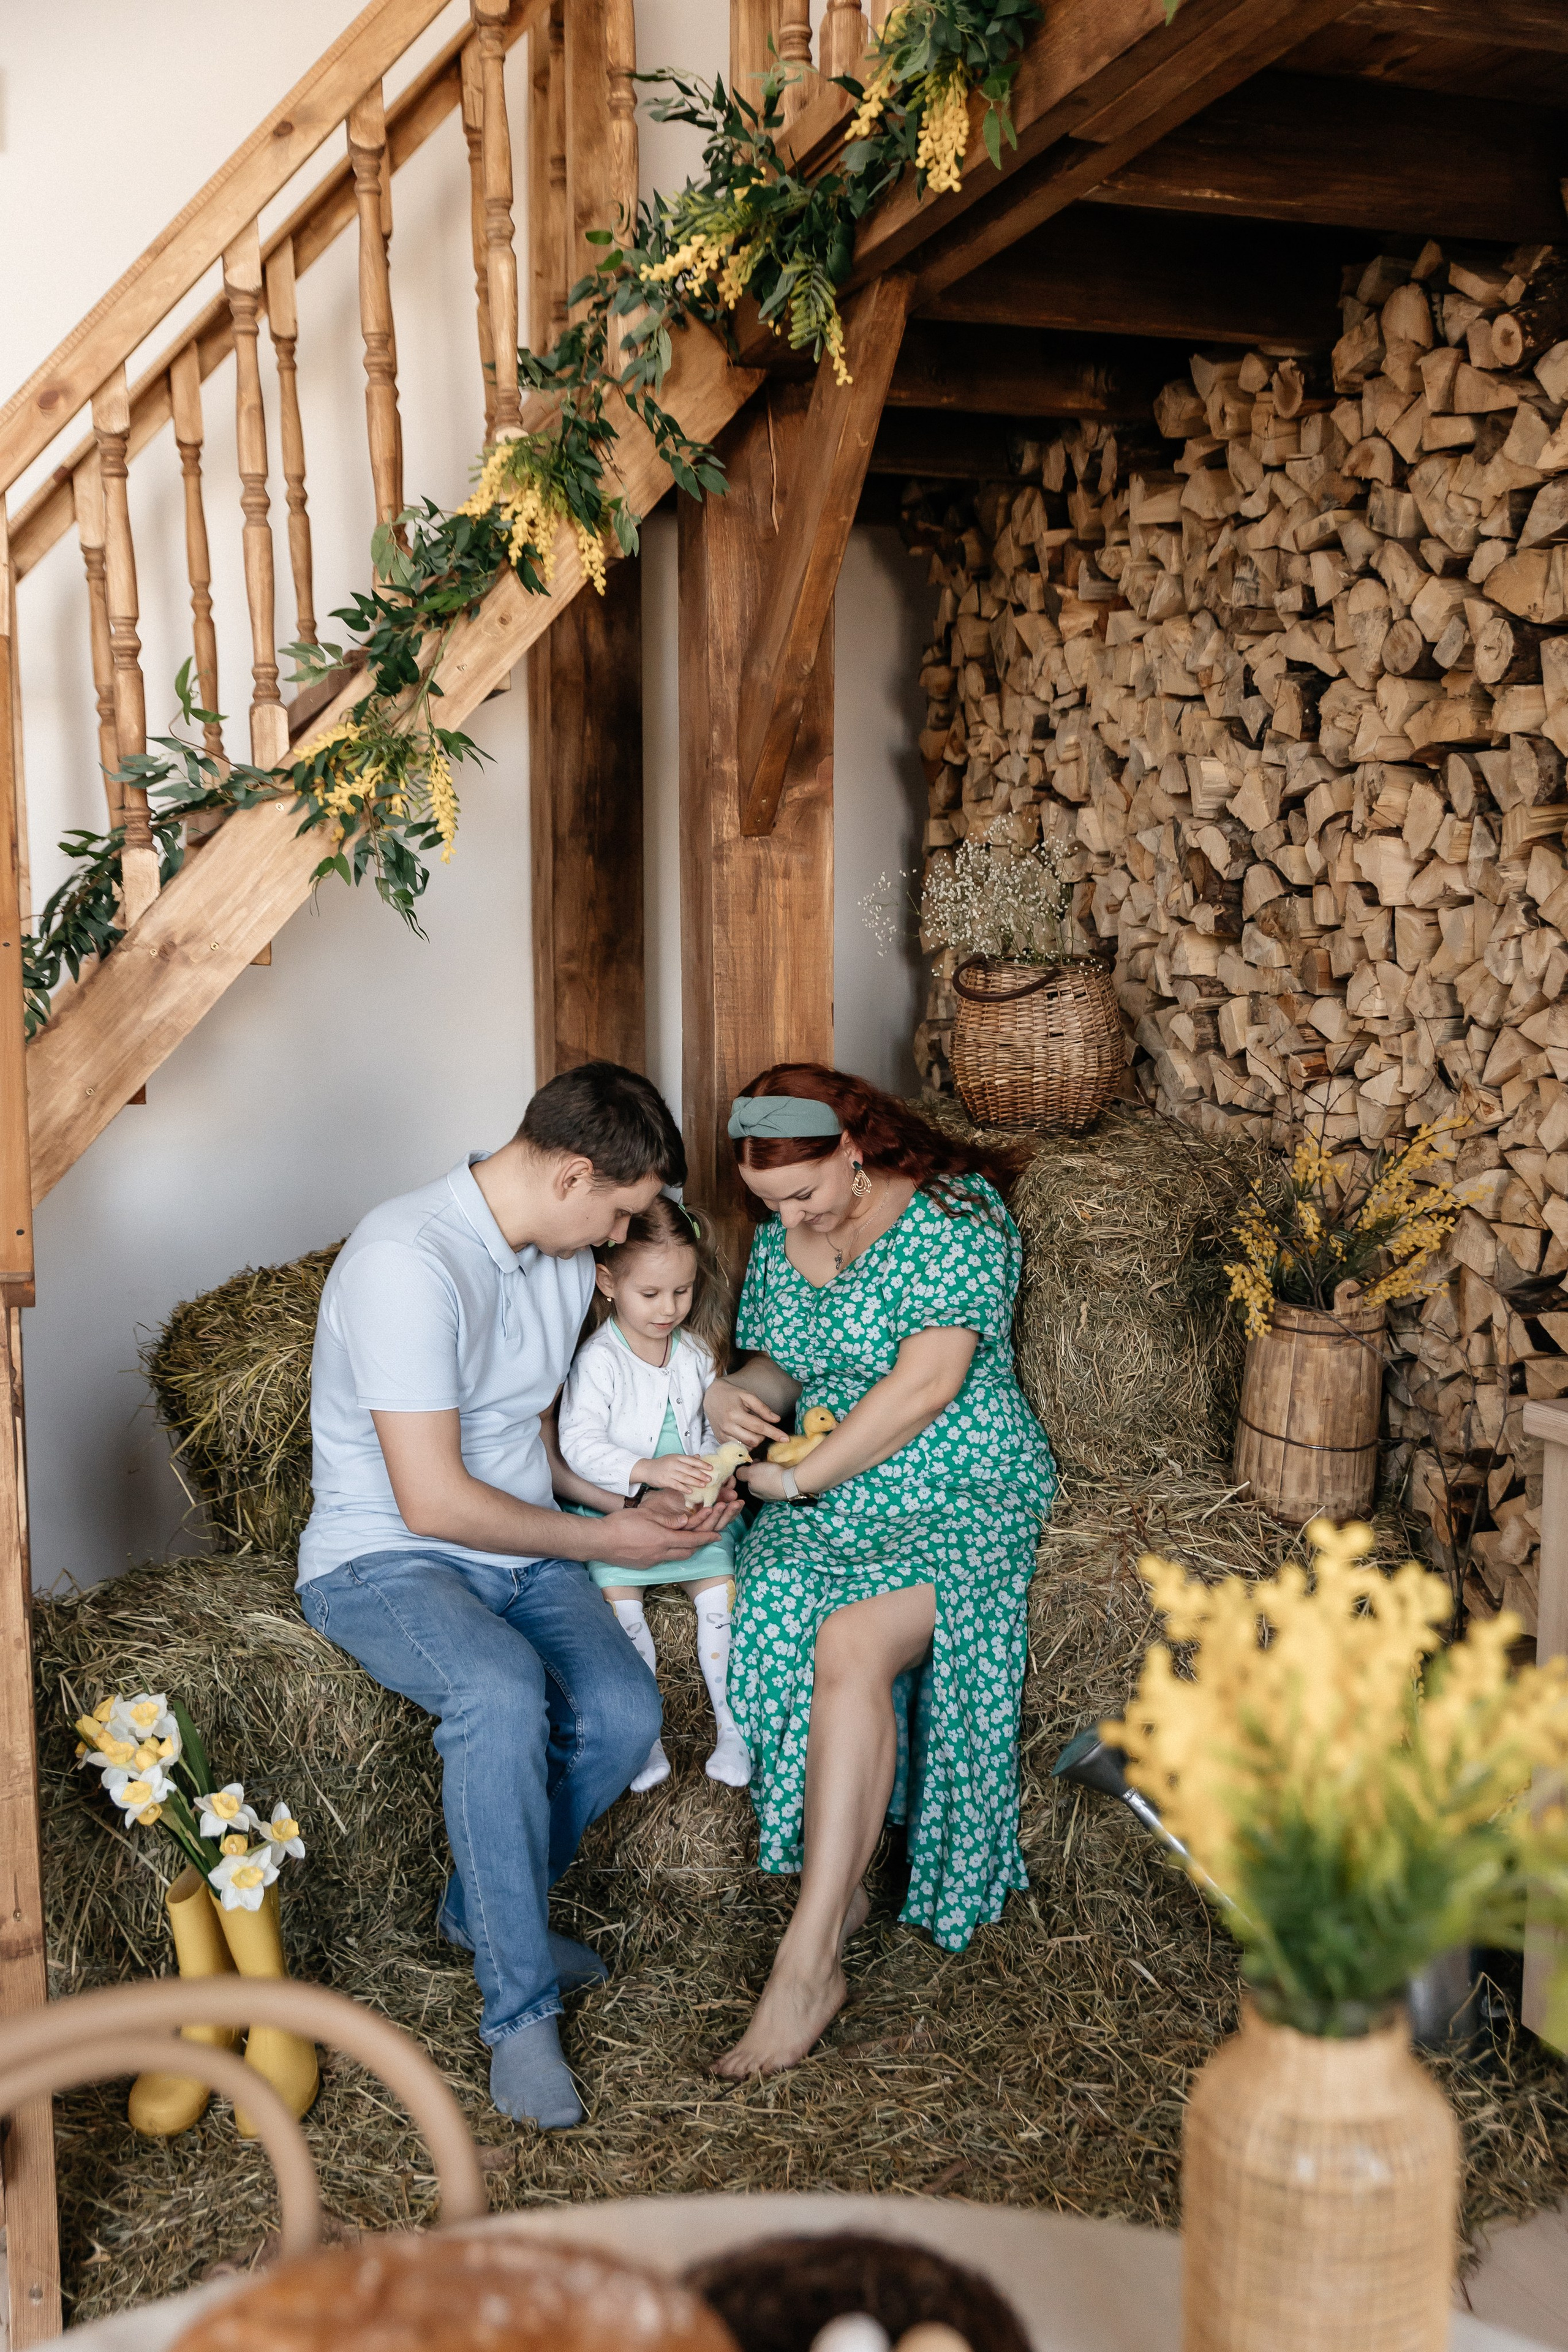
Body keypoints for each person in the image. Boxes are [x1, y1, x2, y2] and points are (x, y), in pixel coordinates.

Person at [294, 1063, 739, 2129]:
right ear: (574, 1175)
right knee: (498, 1693)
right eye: (621, 1213)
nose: (622, 1237)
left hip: (521, 1548)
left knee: (624, 1711)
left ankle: (482, 1915)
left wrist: (643, 1502)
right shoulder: (406, 1261)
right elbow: (435, 1500)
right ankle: (520, 2014)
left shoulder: (560, 1257)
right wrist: (609, 1538)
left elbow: (540, 1443)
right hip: (386, 1555)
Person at [706, 1064, 1057, 2079]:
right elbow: (782, 1367)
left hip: (958, 1478)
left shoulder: (956, 1216)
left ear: (852, 1148)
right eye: (768, 1203)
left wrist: (798, 1479)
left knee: (852, 1639)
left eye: (801, 1193)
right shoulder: (786, 1238)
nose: (787, 1218)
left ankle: (807, 1964)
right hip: (830, 1485)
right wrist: (732, 1393)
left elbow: (924, 1386)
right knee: (772, 1600)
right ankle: (842, 1878)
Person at [557, 1194, 750, 1792]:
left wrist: (713, 1474)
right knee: (620, 1607)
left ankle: (732, 1728)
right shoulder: (600, 1361)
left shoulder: (696, 1354)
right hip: (624, 1505)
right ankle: (644, 1740)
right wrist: (647, 1470)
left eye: (682, 1291)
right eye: (651, 1294)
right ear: (608, 1283)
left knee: (719, 1597)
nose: (669, 1308)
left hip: (689, 1509)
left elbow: (710, 1431)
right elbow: (578, 1445)